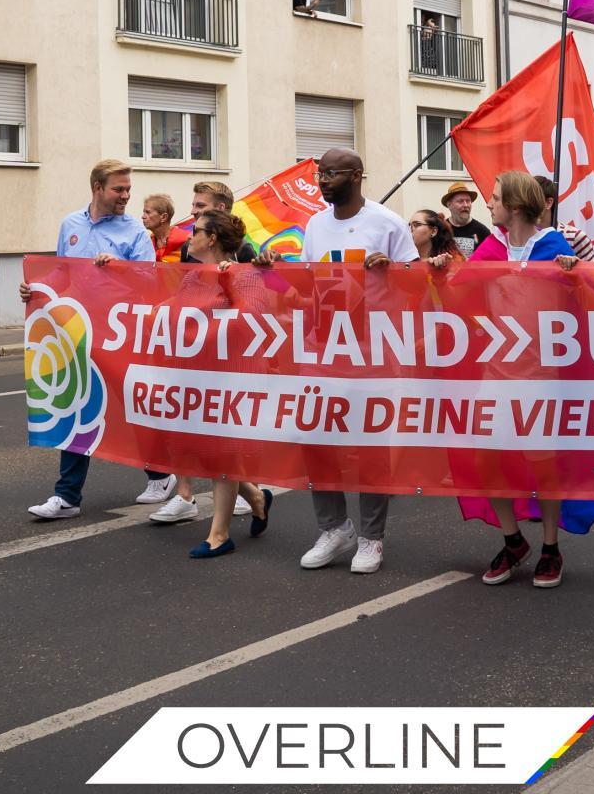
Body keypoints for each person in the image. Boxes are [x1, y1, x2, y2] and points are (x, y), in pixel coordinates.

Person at [260, 147, 419, 574]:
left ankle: (371, 539)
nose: (322, 181)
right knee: (319, 442)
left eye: (331, 173)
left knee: (370, 448)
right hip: (325, 352)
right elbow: (309, 286)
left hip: (373, 355)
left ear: (357, 175)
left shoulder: (388, 224)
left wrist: (392, 272)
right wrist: (271, 271)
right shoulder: (314, 224)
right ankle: (334, 528)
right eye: (320, 173)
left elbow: (421, 288)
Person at [463, 171, 594, 588]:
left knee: (542, 462)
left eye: (493, 198)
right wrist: (439, 269)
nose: (486, 205)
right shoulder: (490, 248)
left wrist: (576, 277)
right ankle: (513, 541)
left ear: (513, 208)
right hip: (496, 369)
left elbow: (592, 303)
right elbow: (459, 293)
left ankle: (550, 546)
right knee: (486, 457)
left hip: (542, 375)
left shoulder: (554, 247)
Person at [21, 160, 170, 521]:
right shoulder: (71, 224)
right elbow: (61, 272)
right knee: (79, 405)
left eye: (128, 189)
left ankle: (161, 473)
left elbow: (149, 284)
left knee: (127, 406)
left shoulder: (135, 231)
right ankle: (67, 497)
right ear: (97, 188)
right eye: (119, 189)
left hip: (120, 333)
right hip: (80, 330)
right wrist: (36, 290)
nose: (126, 196)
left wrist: (118, 267)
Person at [182, 210, 274, 558]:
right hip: (203, 373)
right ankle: (253, 495)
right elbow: (169, 311)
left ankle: (219, 534)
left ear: (212, 239)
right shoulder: (192, 277)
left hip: (237, 374)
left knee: (223, 451)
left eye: (196, 231)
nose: (190, 237)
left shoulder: (247, 275)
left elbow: (251, 319)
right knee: (207, 451)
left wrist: (227, 285)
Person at [178, 181, 257, 263]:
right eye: (193, 205)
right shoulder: (188, 247)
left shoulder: (243, 249)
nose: (193, 211)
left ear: (220, 208)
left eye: (200, 205)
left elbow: (258, 275)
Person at [440, 181, 492, 258]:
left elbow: (491, 260)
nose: (466, 205)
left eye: (468, 201)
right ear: (449, 204)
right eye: (460, 201)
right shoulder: (441, 229)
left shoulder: (482, 231)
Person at [141, 193, 179, 262]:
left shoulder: (184, 242)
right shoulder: (146, 243)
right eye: (144, 212)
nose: (143, 216)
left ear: (164, 217)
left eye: (148, 212)